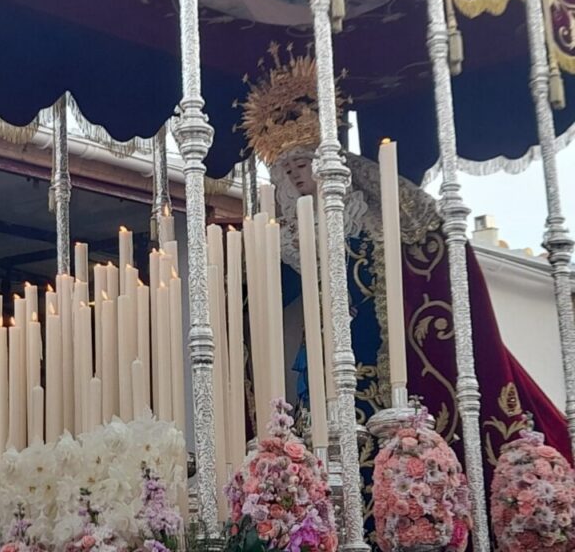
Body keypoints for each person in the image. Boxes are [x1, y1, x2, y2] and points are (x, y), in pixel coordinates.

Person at [239, 47, 571, 542]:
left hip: (387, 372)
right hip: (322, 369)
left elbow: (432, 275)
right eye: (286, 172)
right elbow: (260, 302)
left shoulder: (381, 221)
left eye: (303, 164)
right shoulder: (288, 239)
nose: (295, 177)